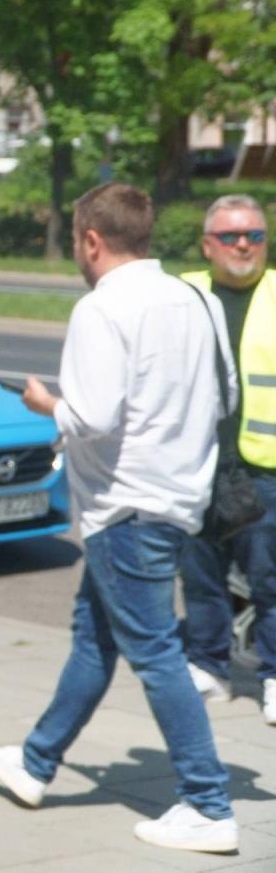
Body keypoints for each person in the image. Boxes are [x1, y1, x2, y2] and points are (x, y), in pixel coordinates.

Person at [0, 182, 239, 854]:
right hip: (176, 497)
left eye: (75, 241)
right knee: (95, 638)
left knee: (155, 652)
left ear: (91, 240)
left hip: (125, 506)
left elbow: (91, 416)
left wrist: (45, 404)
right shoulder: (198, 300)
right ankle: (36, 762)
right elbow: (226, 397)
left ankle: (207, 803)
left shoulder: (102, 308)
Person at [179, 194, 276, 723]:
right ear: (207, 245)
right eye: (231, 236)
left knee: (270, 580)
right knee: (201, 574)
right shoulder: (183, 294)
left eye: (254, 235)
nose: (243, 245)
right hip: (199, 462)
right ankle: (208, 664)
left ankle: (274, 676)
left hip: (267, 468)